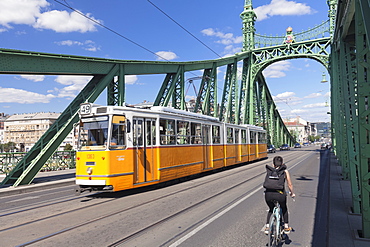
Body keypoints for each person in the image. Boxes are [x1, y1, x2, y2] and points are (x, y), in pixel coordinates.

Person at [263, 156, 295, 234]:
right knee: (284, 208)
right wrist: (292, 193)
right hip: (280, 195)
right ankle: (286, 227)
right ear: (282, 163)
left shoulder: (269, 171)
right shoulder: (285, 171)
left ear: (273, 164)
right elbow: (289, 184)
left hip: (268, 194)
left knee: (271, 209)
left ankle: (267, 226)